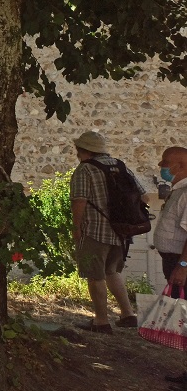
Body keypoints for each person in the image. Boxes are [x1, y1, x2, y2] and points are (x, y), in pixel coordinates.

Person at [70, 130, 138, 332]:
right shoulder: (121, 167)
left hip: (94, 230)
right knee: (112, 271)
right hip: (120, 230)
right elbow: (142, 196)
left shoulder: (85, 170)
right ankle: (128, 314)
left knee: (95, 275)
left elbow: (79, 201)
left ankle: (101, 320)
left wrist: (76, 228)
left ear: (83, 150)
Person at [154, 145, 187, 391]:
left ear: (181, 166)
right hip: (174, 260)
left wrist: (183, 266)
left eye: (165, 162)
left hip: (181, 261)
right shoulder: (178, 191)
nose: (160, 166)